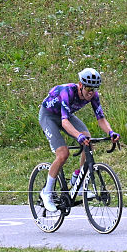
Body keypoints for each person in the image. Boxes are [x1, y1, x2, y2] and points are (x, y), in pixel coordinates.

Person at [37, 67, 119, 211]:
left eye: (94, 88)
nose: (90, 92)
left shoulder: (93, 95)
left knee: (88, 140)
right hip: (48, 116)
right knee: (63, 154)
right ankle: (46, 192)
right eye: (88, 88)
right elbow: (64, 122)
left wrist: (111, 132)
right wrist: (78, 136)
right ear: (80, 85)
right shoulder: (67, 92)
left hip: (66, 116)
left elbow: (101, 119)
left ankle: (79, 182)